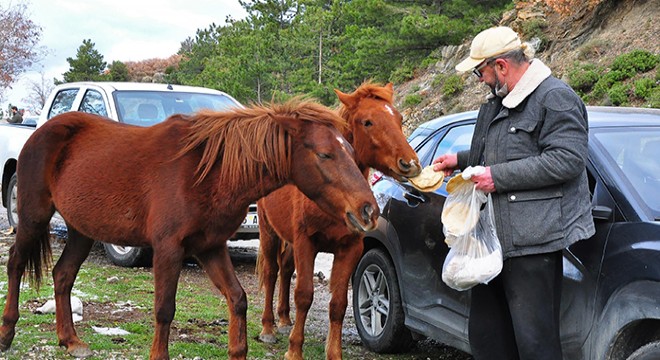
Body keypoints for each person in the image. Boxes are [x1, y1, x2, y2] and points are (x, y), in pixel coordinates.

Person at [433, 26, 595, 360]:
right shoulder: (499, 101)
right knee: (488, 339)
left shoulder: (555, 98)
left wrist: (498, 177)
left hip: (533, 243)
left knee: (535, 345)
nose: (480, 79)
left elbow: (567, 160)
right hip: (491, 245)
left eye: (481, 71)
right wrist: (461, 159)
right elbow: (506, 150)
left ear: (502, 66)